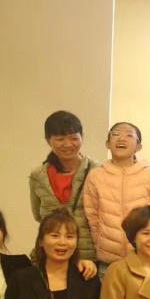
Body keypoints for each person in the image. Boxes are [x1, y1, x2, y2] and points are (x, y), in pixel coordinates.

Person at [83, 121, 150, 267]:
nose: (121, 138)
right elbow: (92, 215)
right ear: (107, 143)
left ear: (138, 146)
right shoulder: (95, 175)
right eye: (115, 134)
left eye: (129, 135)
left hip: (143, 259)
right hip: (107, 261)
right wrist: (99, 243)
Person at [29, 110, 99, 262]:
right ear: (48, 140)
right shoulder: (38, 176)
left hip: (88, 259)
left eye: (74, 138)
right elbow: (38, 215)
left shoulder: (97, 172)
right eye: (60, 139)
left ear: (82, 137)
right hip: (50, 258)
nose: (68, 144)